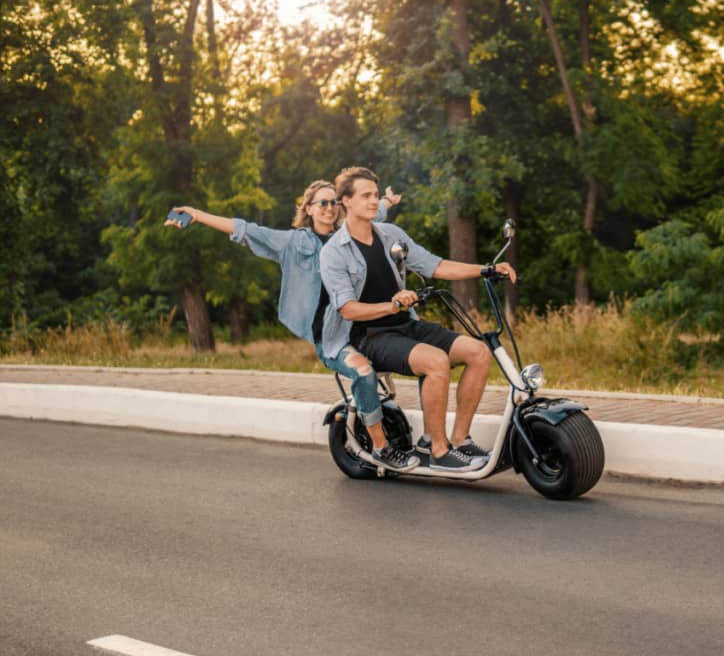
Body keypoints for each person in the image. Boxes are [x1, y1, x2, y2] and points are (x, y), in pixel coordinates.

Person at [165, 181, 420, 472]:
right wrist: (196, 214)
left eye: (332, 203)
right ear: (308, 208)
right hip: (332, 337)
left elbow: (375, 215)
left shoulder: (348, 236)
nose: (328, 208)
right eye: (321, 203)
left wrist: (387, 201)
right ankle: (381, 448)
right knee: (364, 373)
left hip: (367, 328)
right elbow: (245, 229)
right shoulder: (293, 243)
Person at [319, 167, 517, 473]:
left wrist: (487, 270)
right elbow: (348, 309)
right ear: (346, 201)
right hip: (369, 335)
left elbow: (434, 266)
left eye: (376, 194)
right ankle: (438, 451)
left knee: (478, 352)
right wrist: (392, 304)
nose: (374, 201)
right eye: (366, 196)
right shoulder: (334, 252)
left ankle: (460, 440)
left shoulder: (391, 235)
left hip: (405, 325)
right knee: (436, 361)